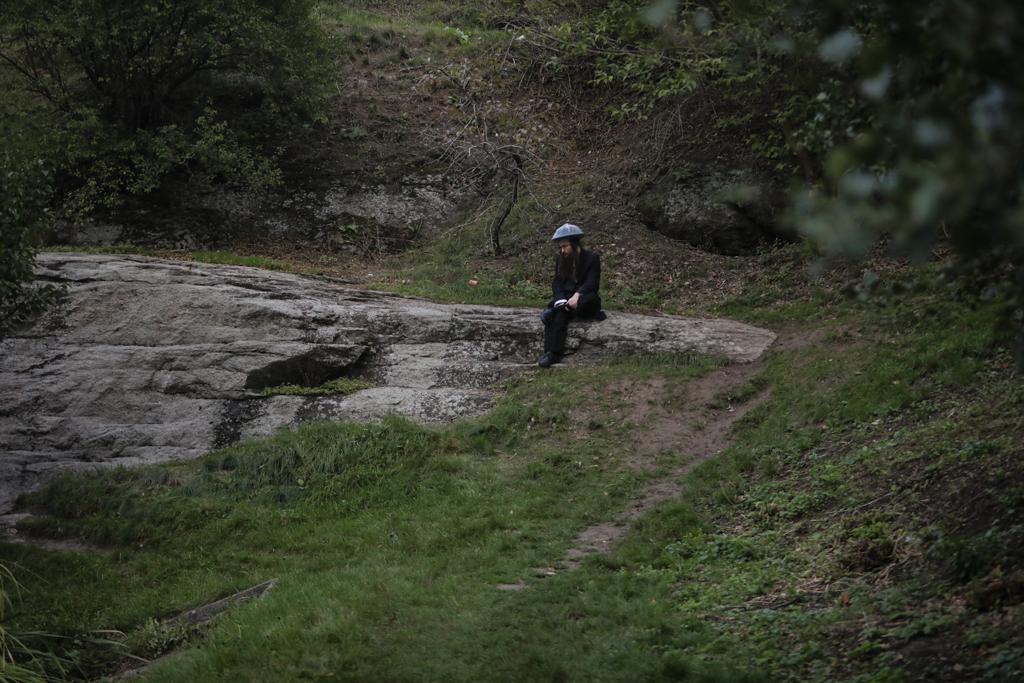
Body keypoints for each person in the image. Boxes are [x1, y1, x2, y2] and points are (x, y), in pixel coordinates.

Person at [537, 223, 604, 368]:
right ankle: (551, 353)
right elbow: (557, 283)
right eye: (560, 247)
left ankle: (560, 309)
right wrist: (561, 299)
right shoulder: (561, 260)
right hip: (567, 300)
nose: (562, 250)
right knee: (558, 315)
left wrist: (578, 295)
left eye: (565, 246)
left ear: (574, 244)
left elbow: (592, 283)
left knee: (587, 302)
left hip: (585, 297)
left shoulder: (592, 258)